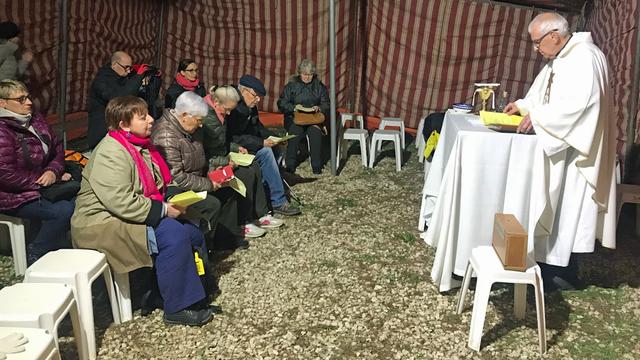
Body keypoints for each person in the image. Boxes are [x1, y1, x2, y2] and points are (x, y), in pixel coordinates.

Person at [71, 96, 213, 326]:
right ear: (123, 124)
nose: (150, 120)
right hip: (101, 223)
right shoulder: (111, 152)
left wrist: (177, 199)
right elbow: (120, 201)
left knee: (194, 230)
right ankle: (177, 308)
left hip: (128, 213)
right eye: (143, 117)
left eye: (148, 113)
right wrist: (165, 209)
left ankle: (189, 297)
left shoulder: (140, 146)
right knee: (174, 235)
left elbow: (156, 184)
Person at [503, 12, 616, 290]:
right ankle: (547, 264)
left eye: (537, 42)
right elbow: (545, 94)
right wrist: (524, 106)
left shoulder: (584, 57)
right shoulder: (564, 56)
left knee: (566, 211)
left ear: (554, 35)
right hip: (563, 144)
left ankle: (562, 272)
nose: (536, 49)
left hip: (576, 152)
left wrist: (539, 117)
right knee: (555, 208)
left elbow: (582, 105)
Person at [151, 91, 249, 249]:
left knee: (229, 191)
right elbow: (177, 177)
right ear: (185, 115)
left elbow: (201, 156)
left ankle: (224, 239)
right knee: (211, 204)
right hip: (176, 188)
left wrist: (215, 172)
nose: (201, 124)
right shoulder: (166, 136)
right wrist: (209, 184)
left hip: (197, 177)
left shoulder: (189, 129)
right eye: (199, 120)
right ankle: (203, 247)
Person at [0, 80, 74, 265]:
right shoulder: (2, 131)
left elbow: (57, 149)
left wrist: (52, 171)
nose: (29, 102)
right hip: (11, 194)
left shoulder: (35, 120)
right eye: (21, 99)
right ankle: (37, 253)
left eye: (28, 97)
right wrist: (42, 181)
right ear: (2, 103)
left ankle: (55, 247)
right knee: (63, 210)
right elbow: (5, 174)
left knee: (78, 200)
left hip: (41, 185)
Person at [203, 85, 284, 237]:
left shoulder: (220, 113)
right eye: (227, 109)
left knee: (252, 164)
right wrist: (227, 160)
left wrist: (235, 148)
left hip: (223, 155)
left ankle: (260, 214)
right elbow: (207, 151)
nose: (228, 113)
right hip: (211, 163)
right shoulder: (208, 118)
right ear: (216, 102)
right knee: (245, 173)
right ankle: (243, 222)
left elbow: (224, 141)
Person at [227, 75, 301, 216]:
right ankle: (278, 201)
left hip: (247, 144)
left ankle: (273, 188)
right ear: (244, 91)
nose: (258, 99)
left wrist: (271, 137)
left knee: (276, 149)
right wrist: (261, 143)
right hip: (235, 148)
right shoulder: (233, 105)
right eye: (255, 96)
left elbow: (257, 126)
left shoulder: (249, 105)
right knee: (266, 152)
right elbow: (233, 137)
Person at [277, 59, 330, 174]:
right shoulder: (291, 86)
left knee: (315, 133)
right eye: (305, 74)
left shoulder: (319, 86)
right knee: (294, 132)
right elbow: (282, 103)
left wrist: (319, 108)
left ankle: (316, 165)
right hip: (295, 118)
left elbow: (326, 103)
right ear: (299, 73)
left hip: (313, 119)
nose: (307, 77)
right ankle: (290, 164)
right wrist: (294, 108)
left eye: (310, 75)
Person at [86, 51, 145, 149]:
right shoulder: (101, 81)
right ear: (114, 65)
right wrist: (138, 77)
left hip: (119, 134)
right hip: (102, 137)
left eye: (130, 68)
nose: (129, 71)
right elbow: (119, 98)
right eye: (126, 67)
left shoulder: (124, 79)